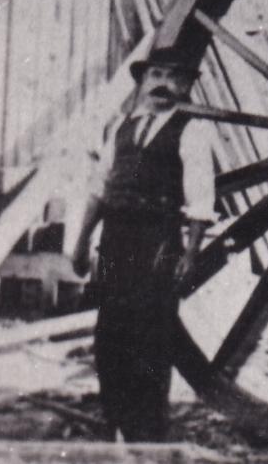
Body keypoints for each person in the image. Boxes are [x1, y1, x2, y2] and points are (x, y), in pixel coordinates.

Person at [72, 46, 215, 442]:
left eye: (174, 77)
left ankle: (147, 434)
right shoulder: (121, 128)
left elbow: (201, 197)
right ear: (143, 81)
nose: (163, 85)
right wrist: (81, 243)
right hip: (115, 239)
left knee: (150, 336)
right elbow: (99, 190)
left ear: (186, 86)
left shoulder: (192, 131)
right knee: (111, 334)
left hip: (157, 238)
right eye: (156, 75)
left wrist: (190, 252)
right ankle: (115, 422)